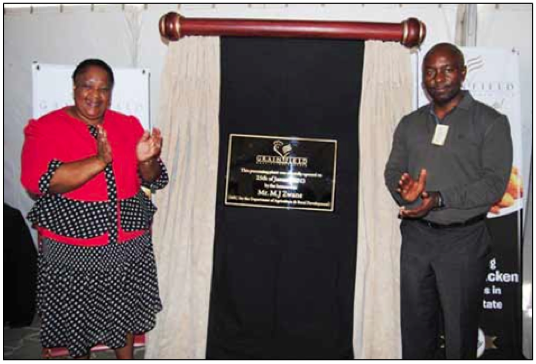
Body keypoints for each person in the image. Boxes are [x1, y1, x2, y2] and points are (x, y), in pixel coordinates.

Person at [21, 59, 168, 359]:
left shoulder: (127, 125)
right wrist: (99, 160)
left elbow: (153, 178)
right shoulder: (46, 128)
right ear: (74, 88)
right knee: (79, 324)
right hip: (74, 251)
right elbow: (39, 182)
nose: (95, 95)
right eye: (88, 86)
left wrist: (147, 160)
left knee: (124, 312)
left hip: (127, 246)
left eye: (104, 89)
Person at [384, 43, 512, 359]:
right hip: (416, 239)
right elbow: (393, 170)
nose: (437, 77)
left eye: (447, 69)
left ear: (463, 73)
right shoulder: (409, 123)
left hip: (464, 242)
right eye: (430, 71)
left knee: (459, 333)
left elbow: (494, 186)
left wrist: (439, 199)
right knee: (415, 329)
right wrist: (404, 190)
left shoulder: (491, 122)